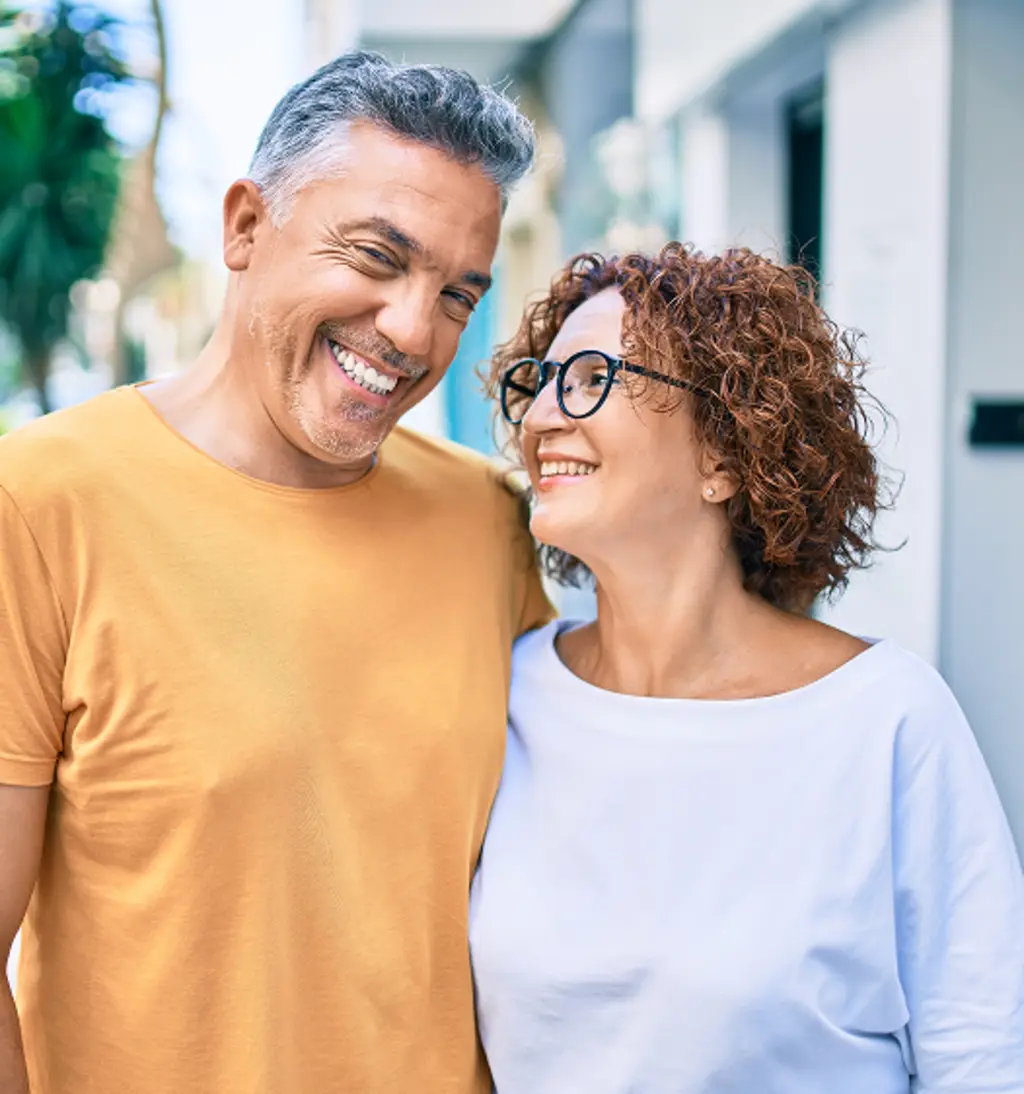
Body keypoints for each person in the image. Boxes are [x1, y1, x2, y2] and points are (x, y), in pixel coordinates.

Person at [0, 51, 550, 1094]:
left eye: (456, 293)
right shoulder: (37, 502)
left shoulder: (489, 521)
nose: (412, 329)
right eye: (378, 257)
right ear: (246, 226)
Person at [470, 244, 1024, 1093]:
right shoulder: (504, 698)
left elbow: (981, 1061)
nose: (541, 414)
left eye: (589, 378)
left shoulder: (885, 720)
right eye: (538, 381)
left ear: (723, 456)